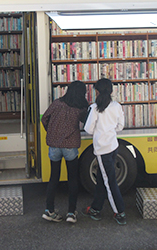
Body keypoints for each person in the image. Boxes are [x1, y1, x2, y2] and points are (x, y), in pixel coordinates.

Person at [41, 80, 89, 224]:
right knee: (72, 179)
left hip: (54, 145)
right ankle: (71, 213)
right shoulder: (81, 107)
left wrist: (51, 132)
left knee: (53, 178)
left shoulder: (56, 103)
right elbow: (87, 122)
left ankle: (49, 210)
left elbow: (44, 119)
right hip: (70, 145)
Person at [82, 78, 127, 225]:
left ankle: (119, 212)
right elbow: (120, 126)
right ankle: (95, 208)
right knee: (103, 179)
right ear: (111, 91)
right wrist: (109, 130)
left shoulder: (95, 108)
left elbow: (88, 129)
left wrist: (99, 131)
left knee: (109, 181)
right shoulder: (116, 106)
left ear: (97, 91)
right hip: (113, 146)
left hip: (102, 149)